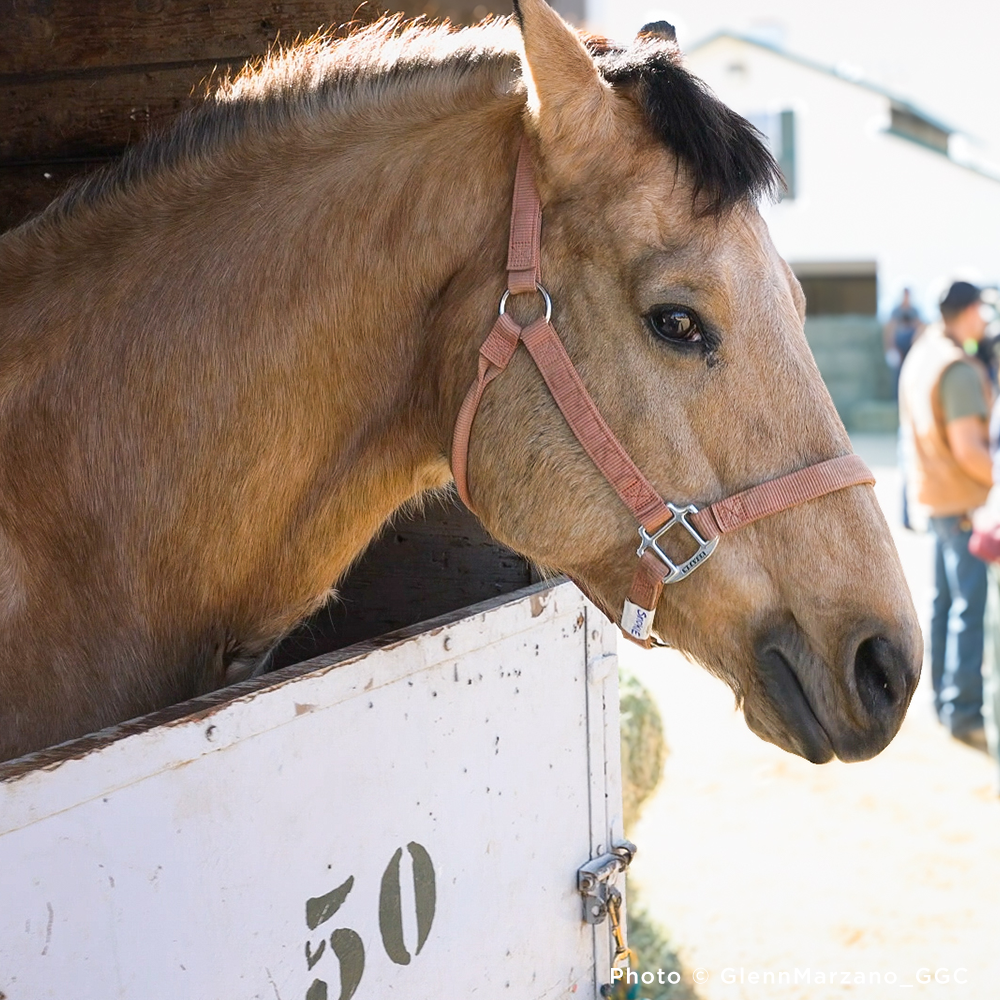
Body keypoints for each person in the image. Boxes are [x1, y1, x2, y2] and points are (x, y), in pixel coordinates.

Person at [898, 281, 992, 750]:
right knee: (967, 609)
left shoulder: (923, 351)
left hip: (934, 496)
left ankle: (942, 702)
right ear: (971, 310)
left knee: (943, 604)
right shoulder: (955, 366)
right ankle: (963, 710)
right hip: (961, 502)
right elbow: (970, 450)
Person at [884, 288, 925, 397]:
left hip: (910, 347)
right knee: (898, 375)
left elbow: (920, 327)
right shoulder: (896, 311)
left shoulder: (914, 311)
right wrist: (892, 348)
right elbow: (890, 330)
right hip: (899, 346)